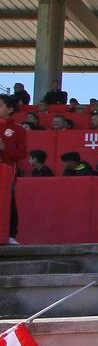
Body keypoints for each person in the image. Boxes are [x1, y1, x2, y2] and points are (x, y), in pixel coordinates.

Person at [0, 94, 27, 242]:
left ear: (10, 109)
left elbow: (21, 154)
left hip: (6, 172)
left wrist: (4, 148)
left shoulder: (18, 130)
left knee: (8, 201)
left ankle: (10, 234)